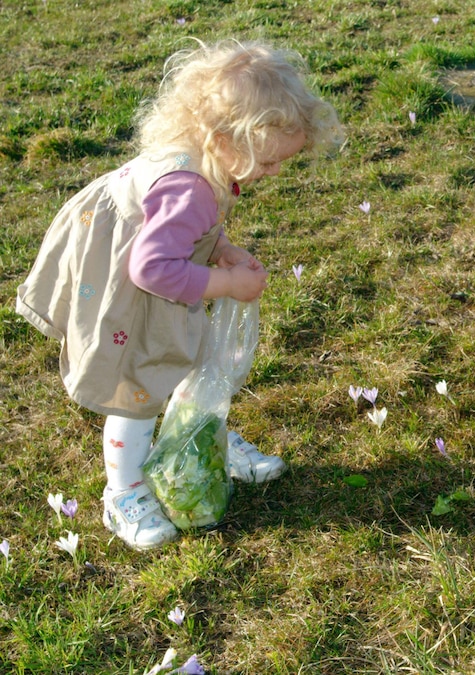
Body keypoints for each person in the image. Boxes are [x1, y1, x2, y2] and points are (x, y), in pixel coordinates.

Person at [15, 39, 343, 550]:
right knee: (138, 380)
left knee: (188, 357)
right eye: (268, 162)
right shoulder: (189, 188)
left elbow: (177, 235)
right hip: (135, 285)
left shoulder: (204, 163)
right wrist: (229, 284)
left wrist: (220, 251)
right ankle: (123, 494)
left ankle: (197, 439)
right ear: (222, 140)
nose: (273, 173)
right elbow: (151, 267)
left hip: (154, 270)